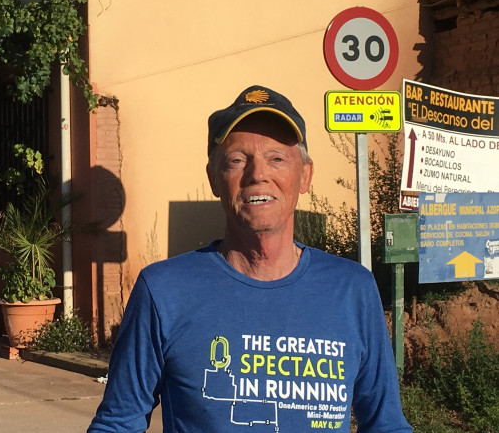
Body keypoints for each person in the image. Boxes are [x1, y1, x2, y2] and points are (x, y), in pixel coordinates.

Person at [88, 85, 412, 432]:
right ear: (214, 178)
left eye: (277, 158)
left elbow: (386, 424)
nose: (258, 174)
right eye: (237, 160)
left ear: (305, 175)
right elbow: (118, 424)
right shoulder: (164, 291)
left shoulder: (351, 289)